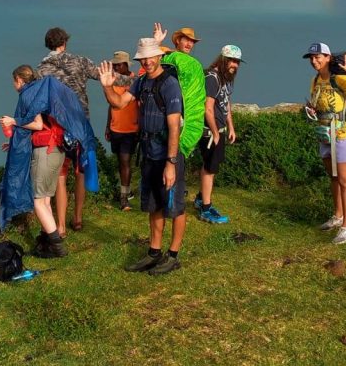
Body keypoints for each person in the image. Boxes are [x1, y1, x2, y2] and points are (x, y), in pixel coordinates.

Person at [99, 38, 186, 275]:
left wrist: (171, 163)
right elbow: (118, 104)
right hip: (148, 152)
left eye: (151, 57)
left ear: (159, 57)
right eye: (143, 58)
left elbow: (174, 125)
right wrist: (107, 86)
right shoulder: (140, 83)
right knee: (154, 205)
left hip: (167, 154)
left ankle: (173, 255)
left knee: (175, 205)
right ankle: (154, 252)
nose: (147, 61)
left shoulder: (169, 84)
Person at [0, 66, 96, 259]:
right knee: (45, 200)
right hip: (56, 151)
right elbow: (44, 126)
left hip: (45, 152)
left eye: (13, 81)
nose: (13, 85)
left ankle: (57, 245)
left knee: (37, 201)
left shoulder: (29, 95)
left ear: (18, 79)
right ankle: (47, 243)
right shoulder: (43, 92)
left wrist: (13, 121)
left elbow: (37, 124)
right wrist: (14, 145)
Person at [302, 42, 346, 245]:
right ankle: (338, 216)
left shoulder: (340, 79)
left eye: (318, 57)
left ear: (328, 57)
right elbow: (317, 103)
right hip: (325, 135)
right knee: (333, 177)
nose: (314, 61)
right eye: (312, 58)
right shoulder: (315, 80)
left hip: (345, 134)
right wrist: (312, 109)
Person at [37, 27, 99, 234]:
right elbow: (104, 74)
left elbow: (38, 101)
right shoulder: (80, 61)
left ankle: (61, 226)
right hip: (81, 125)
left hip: (58, 128)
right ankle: (78, 218)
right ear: (64, 43)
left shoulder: (42, 70)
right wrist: (133, 80)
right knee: (80, 172)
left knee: (61, 177)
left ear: (48, 44)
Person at [194, 45, 242, 224]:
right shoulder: (212, 78)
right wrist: (215, 132)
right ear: (222, 59)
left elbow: (226, 103)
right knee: (209, 168)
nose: (234, 65)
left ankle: (201, 199)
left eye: (237, 62)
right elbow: (208, 109)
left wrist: (231, 127)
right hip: (210, 132)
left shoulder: (226, 78)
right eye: (231, 60)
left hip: (219, 130)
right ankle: (206, 209)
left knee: (211, 166)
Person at [104, 50, 139, 211]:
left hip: (130, 129)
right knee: (120, 162)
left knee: (125, 162)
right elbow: (111, 105)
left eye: (119, 64)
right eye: (115, 64)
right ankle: (127, 189)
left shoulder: (135, 81)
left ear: (126, 65)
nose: (117, 67)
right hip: (115, 128)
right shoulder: (113, 80)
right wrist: (107, 126)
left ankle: (124, 199)